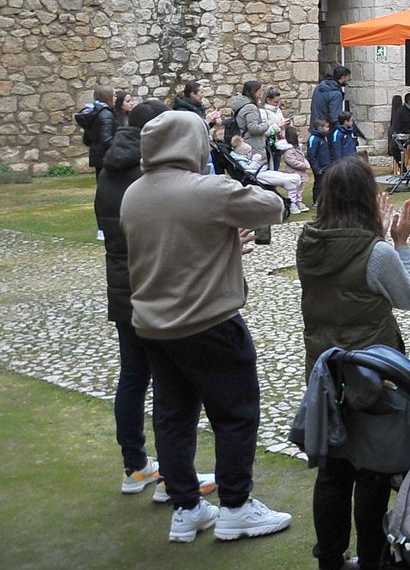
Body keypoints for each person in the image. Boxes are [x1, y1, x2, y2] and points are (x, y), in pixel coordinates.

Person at [121, 109, 292, 544]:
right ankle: (236, 506)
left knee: (173, 416)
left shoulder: (134, 193)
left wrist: (223, 243)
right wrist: (239, 176)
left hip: (155, 326)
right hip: (209, 322)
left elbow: (172, 247)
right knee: (235, 414)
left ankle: (187, 508)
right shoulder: (207, 189)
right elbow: (274, 206)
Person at [297, 157, 410, 570]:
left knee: (333, 472)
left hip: (325, 371)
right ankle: (372, 558)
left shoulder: (308, 243)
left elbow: (344, 268)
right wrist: (400, 245)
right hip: (371, 375)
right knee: (371, 469)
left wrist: (379, 239)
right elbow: (409, 297)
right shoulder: (377, 252)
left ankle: (330, 559)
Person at [95, 98, 219, 505]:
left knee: (133, 377)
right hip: (156, 286)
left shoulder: (109, 169)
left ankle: (135, 465)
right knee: (172, 387)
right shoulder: (149, 175)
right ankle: (173, 477)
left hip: (122, 285)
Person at [77, 84, 117, 174]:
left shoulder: (94, 112)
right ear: (107, 96)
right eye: (114, 95)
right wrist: (118, 148)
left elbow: (87, 139)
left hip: (96, 154)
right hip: (106, 156)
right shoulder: (106, 114)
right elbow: (106, 140)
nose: (116, 98)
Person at [227, 80, 268, 157]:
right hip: (253, 145)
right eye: (260, 90)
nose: (261, 92)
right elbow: (253, 128)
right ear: (254, 91)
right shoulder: (250, 107)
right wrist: (266, 125)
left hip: (244, 142)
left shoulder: (241, 105)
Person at [279, 125, 312, 214]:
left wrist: (306, 163)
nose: (301, 138)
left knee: (300, 189)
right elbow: (292, 162)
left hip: (301, 173)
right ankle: (292, 204)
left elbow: (302, 157)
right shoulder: (289, 151)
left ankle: (298, 201)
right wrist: (303, 165)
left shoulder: (297, 148)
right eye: (299, 136)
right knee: (293, 189)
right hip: (293, 173)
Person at [311, 65, 351, 135]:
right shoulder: (336, 94)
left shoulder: (319, 87)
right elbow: (335, 117)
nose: (348, 81)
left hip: (316, 128)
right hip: (327, 131)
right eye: (348, 78)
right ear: (343, 78)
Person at [261, 86, 291, 169]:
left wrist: (286, 124)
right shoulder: (263, 112)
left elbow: (281, 124)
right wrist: (278, 126)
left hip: (278, 144)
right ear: (268, 100)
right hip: (269, 146)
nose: (278, 104)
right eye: (275, 102)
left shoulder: (277, 110)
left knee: (276, 167)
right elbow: (264, 131)